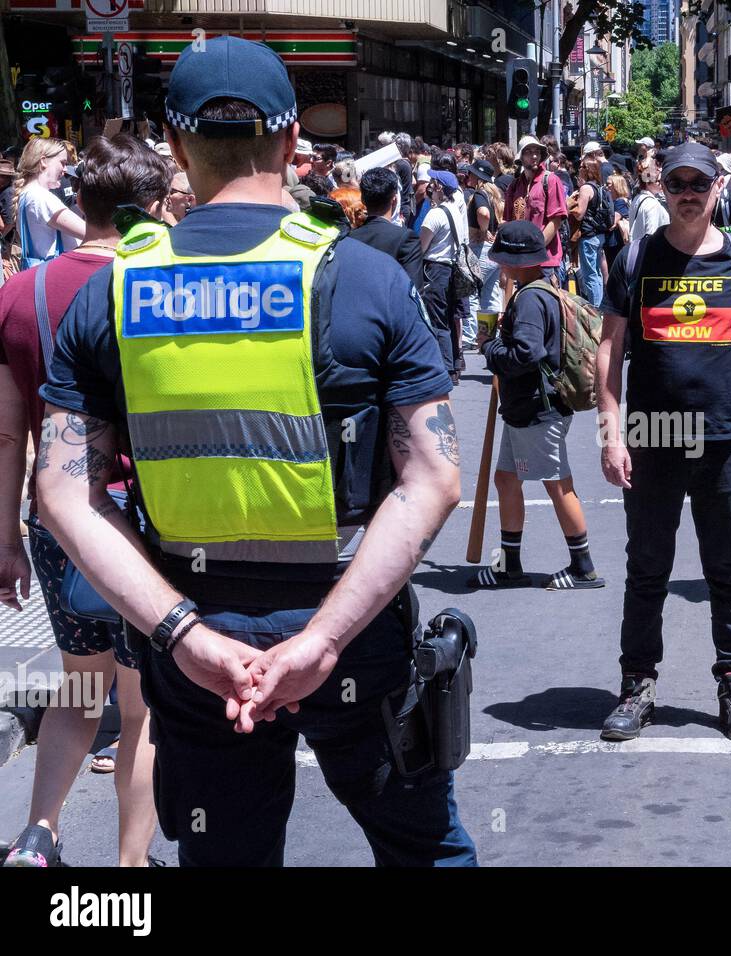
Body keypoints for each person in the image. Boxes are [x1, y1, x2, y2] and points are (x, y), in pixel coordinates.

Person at [31, 38, 476, 866]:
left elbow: (63, 493)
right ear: (291, 142)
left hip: (196, 631)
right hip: (351, 623)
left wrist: (183, 634)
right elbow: (433, 477)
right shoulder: (368, 280)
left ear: (173, 148)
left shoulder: (113, 290)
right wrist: (324, 641)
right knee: (424, 852)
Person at [0, 135, 171, 868]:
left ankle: (37, 838)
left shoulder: (19, 294)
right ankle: (130, 872)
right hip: (145, 519)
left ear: (81, 201)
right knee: (141, 712)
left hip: (57, 516)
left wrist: (5, 537)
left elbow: (8, 435)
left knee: (77, 692)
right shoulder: (160, 284)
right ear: (154, 207)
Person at [596, 143, 731, 742]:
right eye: (676, 182)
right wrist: (611, 434)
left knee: (726, 572)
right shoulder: (636, 258)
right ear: (663, 187)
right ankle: (637, 685)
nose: (687, 192)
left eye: (697, 183)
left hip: (726, 437)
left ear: (717, 186)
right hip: (652, 438)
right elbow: (609, 353)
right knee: (646, 569)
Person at [470, 221, 603, 592]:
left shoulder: (530, 298)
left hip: (536, 407)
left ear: (516, 261)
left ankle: (583, 567)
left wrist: (489, 347)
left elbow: (527, 353)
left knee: (557, 483)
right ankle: (510, 564)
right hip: (528, 407)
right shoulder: (539, 291)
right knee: (507, 479)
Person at [504, 136, 568, 290]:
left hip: (545, 262)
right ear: (521, 156)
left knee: (545, 306)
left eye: (537, 152)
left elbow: (556, 221)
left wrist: (535, 250)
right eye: (528, 152)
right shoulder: (514, 186)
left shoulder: (550, 180)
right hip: (522, 262)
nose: (534, 156)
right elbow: (508, 222)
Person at [13, 139, 85, 269]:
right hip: (54, 275)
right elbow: (89, 233)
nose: (64, 170)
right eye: (62, 163)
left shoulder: (26, 195)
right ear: (43, 161)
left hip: (38, 274)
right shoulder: (41, 198)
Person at [419, 169, 465, 374]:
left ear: (437, 186)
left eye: (432, 182)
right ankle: (455, 362)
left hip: (435, 270)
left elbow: (422, 247)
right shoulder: (455, 210)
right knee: (448, 317)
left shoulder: (436, 214)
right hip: (451, 269)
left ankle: (446, 369)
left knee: (437, 321)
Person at [349, 168, 423, 286]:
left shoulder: (349, 238)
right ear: (395, 198)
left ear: (363, 199)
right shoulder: (405, 238)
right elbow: (414, 292)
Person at [569, 155, 610, 306]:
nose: (578, 169)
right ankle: (599, 305)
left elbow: (579, 214)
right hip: (598, 235)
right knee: (597, 273)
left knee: (590, 275)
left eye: (581, 167)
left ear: (587, 170)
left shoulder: (586, 188)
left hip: (588, 236)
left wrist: (569, 205)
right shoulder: (599, 187)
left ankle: (596, 308)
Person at [465, 159, 503, 320]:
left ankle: (470, 336)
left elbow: (483, 213)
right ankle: (491, 334)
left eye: (471, 173)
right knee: (490, 294)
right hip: (494, 251)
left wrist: (483, 230)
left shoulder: (480, 194)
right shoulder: (494, 195)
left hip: (481, 249)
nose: (468, 176)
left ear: (478, 176)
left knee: (470, 293)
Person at [629, 158, 671, 241]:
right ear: (647, 182)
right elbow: (651, 235)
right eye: (658, 181)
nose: (662, 184)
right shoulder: (652, 204)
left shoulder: (637, 198)